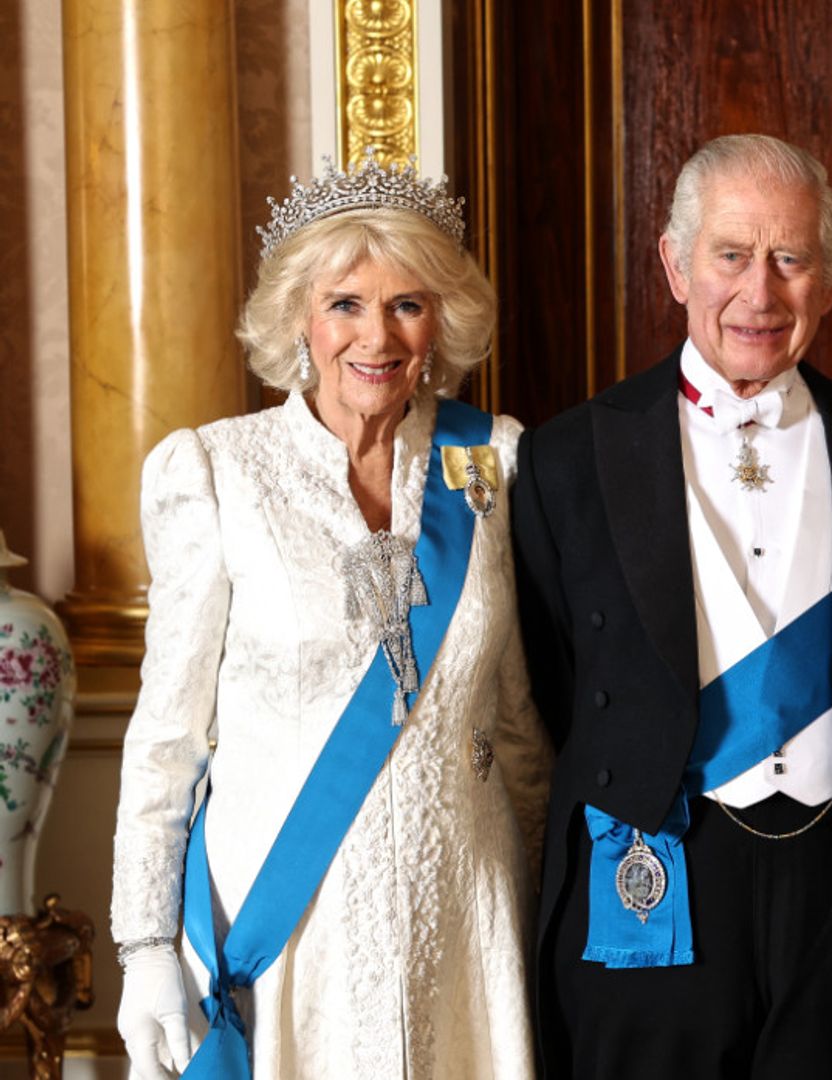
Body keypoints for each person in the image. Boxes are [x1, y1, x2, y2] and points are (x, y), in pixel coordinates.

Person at [514, 134, 832, 1079]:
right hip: (652, 869)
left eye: (791, 259)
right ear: (674, 264)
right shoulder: (565, 460)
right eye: (731, 255)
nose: (761, 294)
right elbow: (551, 687)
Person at [110, 155, 551, 1079]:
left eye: (407, 304)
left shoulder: (495, 466)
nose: (376, 337)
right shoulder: (215, 474)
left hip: (463, 924)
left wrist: (551, 917)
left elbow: (520, 729)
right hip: (288, 932)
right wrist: (145, 947)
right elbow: (168, 739)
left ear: (441, 322)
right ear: (299, 320)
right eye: (346, 302)